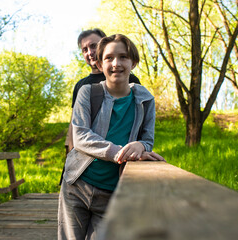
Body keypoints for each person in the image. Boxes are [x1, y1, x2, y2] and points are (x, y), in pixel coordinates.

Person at [58, 34, 165, 240]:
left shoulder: (145, 99)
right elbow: (79, 135)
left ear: (133, 62)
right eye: (109, 58)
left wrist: (140, 146)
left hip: (113, 192)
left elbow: (147, 140)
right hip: (77, 187)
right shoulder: (87, 92)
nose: (116, 63)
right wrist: (120, 152)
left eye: (123, 57)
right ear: (99, 63)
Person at [65, 28, 140, 153]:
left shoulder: (129, 79)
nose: (90, 52)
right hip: (86, 158)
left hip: (124, 156)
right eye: (85, 49)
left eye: (94, 46)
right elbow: (74, 124)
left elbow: (138, 120)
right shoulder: (81, 86)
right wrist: (71, 153)